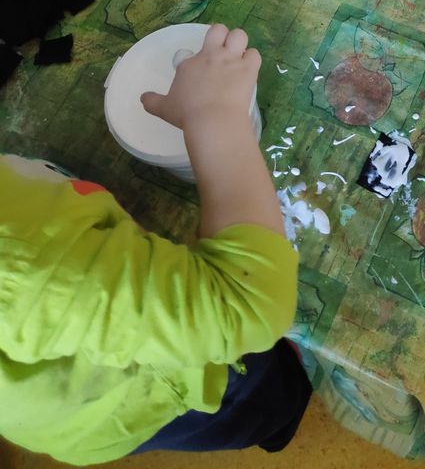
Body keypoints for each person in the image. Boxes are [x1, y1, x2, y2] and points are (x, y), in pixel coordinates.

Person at [0, 25, 310, 465]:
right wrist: (214, 114)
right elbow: (247, 302)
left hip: (65, 403)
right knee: (264, 398)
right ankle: (281, 417)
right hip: (146, 397)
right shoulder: (19, 263)